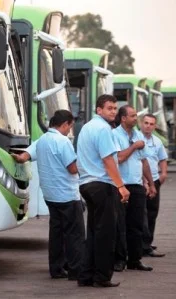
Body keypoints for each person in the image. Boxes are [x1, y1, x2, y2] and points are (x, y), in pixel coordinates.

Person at [77, 94, 129, 288]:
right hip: (102, 184)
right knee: (106, 234)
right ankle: (102, 277)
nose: (113, 112)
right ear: (99, 110)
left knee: (93, 232)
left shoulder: (87, 127)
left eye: (115, 108)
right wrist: (121, 186)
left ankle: (86, 276)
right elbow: (108, 160)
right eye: (109, 108)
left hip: (86, 184)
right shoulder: (104, 129)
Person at [34, 110, 85, 280]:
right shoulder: (63, 142)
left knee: (56, 233)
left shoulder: (41, 140)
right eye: (70, 127)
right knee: (74, 234)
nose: (69, 130)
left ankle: (56, 269)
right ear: (65, 124)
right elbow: (72, 168)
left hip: (50, 194)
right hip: (67, 194)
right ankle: (75, 270)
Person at [112, 105, 156, 272]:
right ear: (123, 118)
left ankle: (135, 259)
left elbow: (144, 162)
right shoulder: (114, 135)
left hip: (137, 185)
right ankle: (119, 259)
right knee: (120, 224)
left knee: (136, 224)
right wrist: (134, 146)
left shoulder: (137, 134)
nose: (135, 118)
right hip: (121, 185)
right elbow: (119, 158)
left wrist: (151, 183)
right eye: (132, 116)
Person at [140, 113, 168, 257]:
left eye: (151, 124)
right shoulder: (136, 139)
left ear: (155, 126)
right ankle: (142, 245)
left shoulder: (157, 141)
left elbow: (163, 159)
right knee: (141, 214)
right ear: (141, 123)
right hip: (139, 182)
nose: (148, 126)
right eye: (146, 123)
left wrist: (163, 173)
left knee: (152, 213)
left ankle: (147, 243)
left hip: (155, 181)